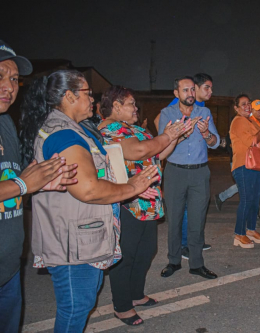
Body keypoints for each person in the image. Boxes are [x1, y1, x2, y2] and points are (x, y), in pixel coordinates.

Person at [19, 69, 159, 332]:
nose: (93, 100)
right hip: (73, 244)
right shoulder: (63, 135)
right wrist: (131, 186)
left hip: (82, 237)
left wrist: (132, 189)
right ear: (69, 96)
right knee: (75, 310)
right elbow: (89, 190)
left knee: (82, 304)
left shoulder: (76, 129)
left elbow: (98, 174)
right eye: (87, 94)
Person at [0, 40, 78, 333]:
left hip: (8, 269)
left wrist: (41, 183)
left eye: (13, 79)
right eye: (0, 77)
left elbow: (10, 183)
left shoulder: (5, 122)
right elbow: (15, 184)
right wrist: (22, 184)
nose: (9, 86)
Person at [98, 86, 191, 325]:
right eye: (131, 104)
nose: (136, 108)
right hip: (127, 200)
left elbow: (157, 154)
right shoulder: (110, 128)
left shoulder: (135, 129)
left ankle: (136, 294)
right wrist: (168, 135)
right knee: (125, 255)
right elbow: (138, 151)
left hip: (147, 200)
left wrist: (177, 135)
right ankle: (122, 305)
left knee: (146, 250)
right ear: (116, 105)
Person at [158, 76, 219, 279]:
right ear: (176, 93)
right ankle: (173, 261)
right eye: (185, 90)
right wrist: (181, 134)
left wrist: (205, 134)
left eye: (192, 90)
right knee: (174, 219)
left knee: (197, 219)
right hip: (175, 171)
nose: (190, 94)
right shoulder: (167, 114)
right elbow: (161, 146)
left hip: (200, 172)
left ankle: (196, 264)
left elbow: (215, 142)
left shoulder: (204, 113)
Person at [229, 94, 260, 248]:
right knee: (246, 199)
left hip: (255, 165)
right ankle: (239, 233)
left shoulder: (250, 122)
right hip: (243, 165)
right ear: (236, 108)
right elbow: (252, 141)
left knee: (255, 199)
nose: (247, 106)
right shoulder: (238, 121)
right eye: (243, 104)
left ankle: (250, 230)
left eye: (248, 103)